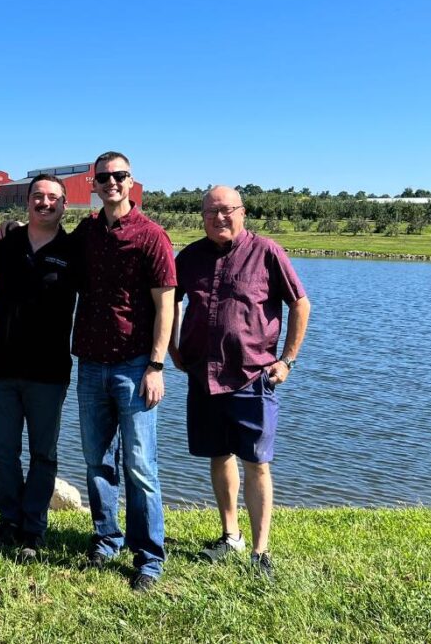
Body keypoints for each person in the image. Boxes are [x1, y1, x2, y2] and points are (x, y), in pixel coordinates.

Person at [170, 185, 311, 580]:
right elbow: (167, 301)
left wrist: (287, 360)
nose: (219, 218)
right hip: (204, 375)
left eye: (227, 210)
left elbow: (300, 302)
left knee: (257, 462)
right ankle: (229, 534)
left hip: (253, 374)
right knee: (218, 455)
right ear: (202, 217)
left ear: (242, 212)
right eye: (211, 212)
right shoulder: (191, 256)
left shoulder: (267, 252)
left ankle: (260, 550)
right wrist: (172, 348)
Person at [72, 151, 176, 592]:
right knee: (97, 461)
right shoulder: (88, 232)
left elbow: (165, 305)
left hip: (135, 367)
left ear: (131, 182)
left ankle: (149, 557)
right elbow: (50, 247)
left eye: (119, 176)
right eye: (104, 177)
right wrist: (13, 229)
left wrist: (156, 365)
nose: (111, 182)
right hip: (90, 364)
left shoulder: (152, 236)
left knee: (138, 464)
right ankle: (106, 538)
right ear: (94, 184)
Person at [0, 174, 78, 562]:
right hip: (1, 365)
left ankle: (33, 530)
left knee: (43, 454)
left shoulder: (73, 250)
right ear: (28, 202)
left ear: (64, 205)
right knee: (2, 451)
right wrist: (2, 310)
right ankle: (8, 520)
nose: (45, 203)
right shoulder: (7, 242)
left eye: (53, 198)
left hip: (49, 371)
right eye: (38, 196)